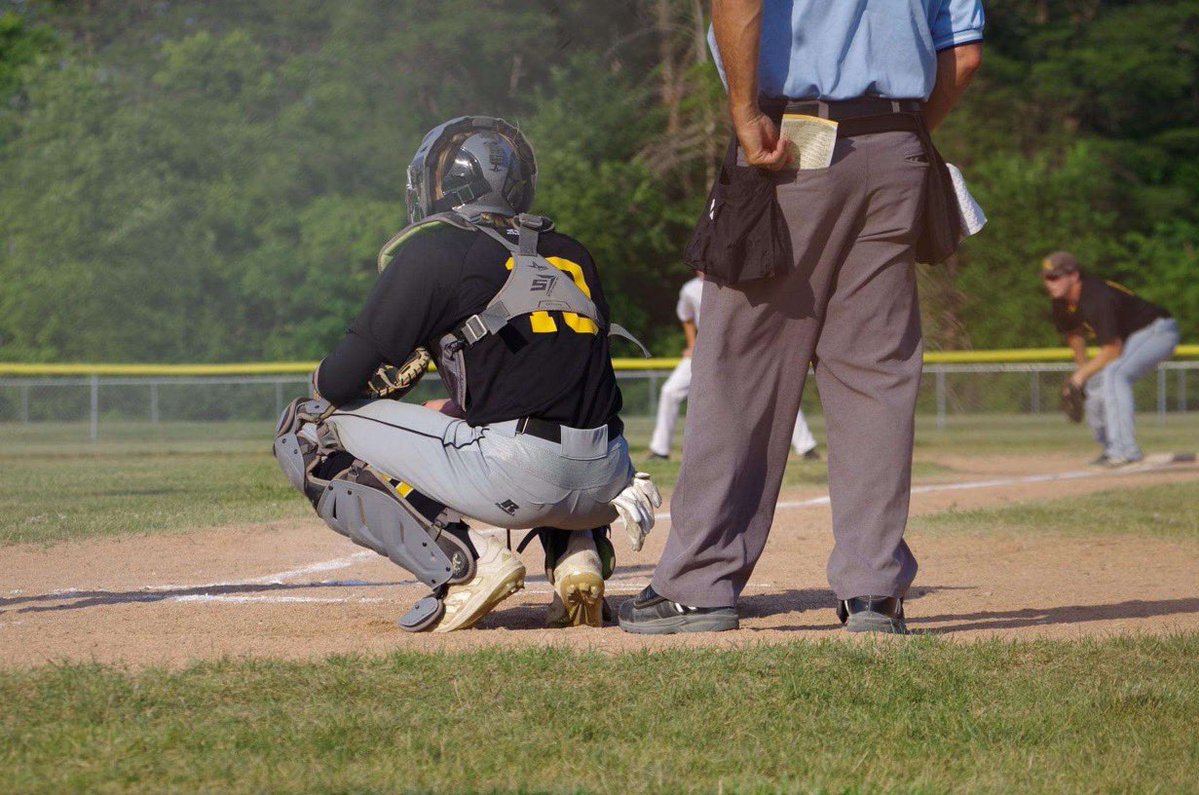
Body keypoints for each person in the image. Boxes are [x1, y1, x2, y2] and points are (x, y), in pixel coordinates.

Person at [620, 0, 984, 636]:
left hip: (792, 142)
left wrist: (743, 110)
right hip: (899, 147)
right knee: (875, 374)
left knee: (741, 367)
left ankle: (700, 586)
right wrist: (898, 137)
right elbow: (964, 53)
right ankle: (873, 591)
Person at [274, 116, 660, 633]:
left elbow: (338, 384)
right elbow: (557, 378)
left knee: (308, 426)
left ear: (443, 184)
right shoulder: (572, 253)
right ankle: (578, 550)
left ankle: (465, 565)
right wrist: (457, 408)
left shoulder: (436, 250)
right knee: (533, 428)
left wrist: (339, 381)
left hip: (521, 473)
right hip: (608, 478)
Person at [648, 273, 820, 461]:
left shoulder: (737, 282)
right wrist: (692, 344)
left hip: (743, 349)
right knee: (670, 391)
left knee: (774, 391)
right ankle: (660, 450)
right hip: (706, 350)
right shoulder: (690, 289)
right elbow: (686, 316)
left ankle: (806, 447)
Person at [1042, 251, 1179, 467]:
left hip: (1157, 331)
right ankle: (1110, 449)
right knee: (1095, 387)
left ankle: (1126, 451)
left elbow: (1113, 350)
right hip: (1129, 341)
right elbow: (1074, 335)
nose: (1050, 283)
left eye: (1055, 277)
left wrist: (1077, 377)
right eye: (1047, 277)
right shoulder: (1060, 302)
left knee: (1115, 375)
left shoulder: (1095, 296)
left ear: (1074, 275)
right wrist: (1083, 375)